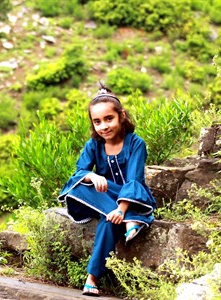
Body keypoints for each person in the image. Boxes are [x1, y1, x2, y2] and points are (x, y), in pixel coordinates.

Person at [57, 83, 156, 297]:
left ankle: (91, 278)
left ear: (121, 116)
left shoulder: (136, 143)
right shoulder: (93, 145)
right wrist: (92, 175)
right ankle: (134, 219)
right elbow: (79, 172)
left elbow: (134, 180)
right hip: (105, 200)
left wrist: (121, 209)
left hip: (131, 197)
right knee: (77, 187)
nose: (104, 126)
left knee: (109, 221)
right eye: (97, 121)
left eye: (109, 119)